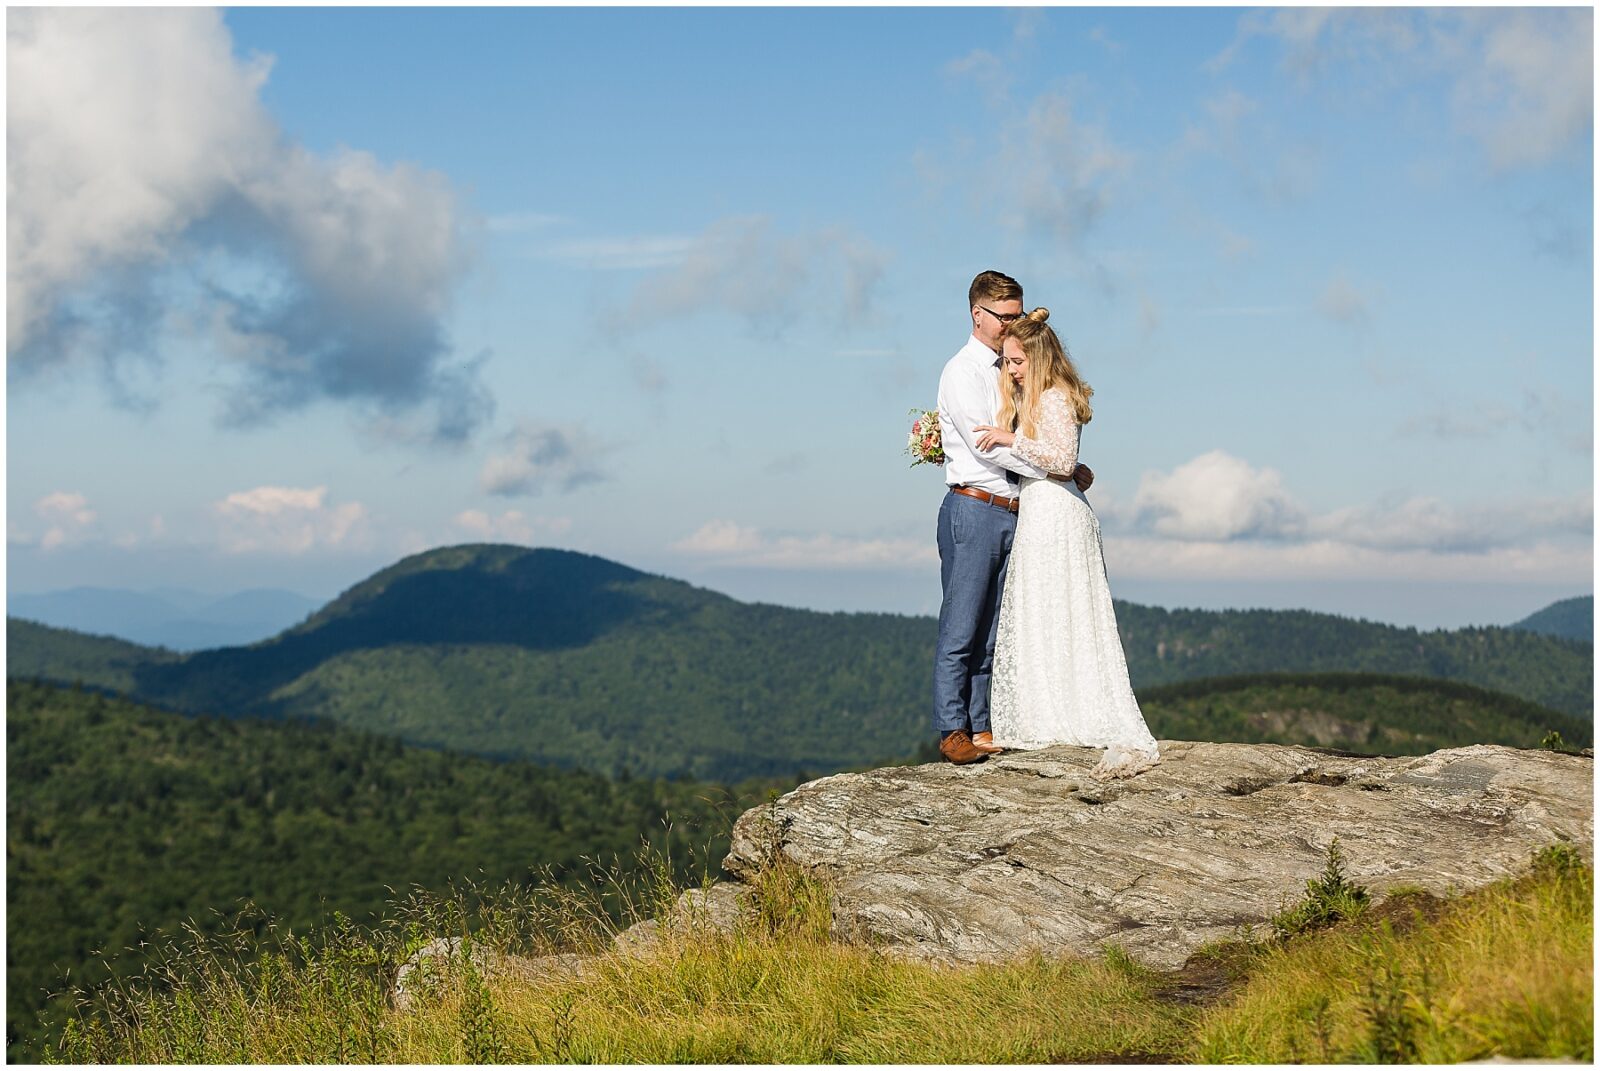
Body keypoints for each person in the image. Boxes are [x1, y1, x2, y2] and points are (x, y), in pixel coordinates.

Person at [974, 308, 1160, 778]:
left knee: (1063, 611)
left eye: (1017, 361)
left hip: (1058, 516)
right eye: (1007, 361)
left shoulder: (1055, 398)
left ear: (1038, 359)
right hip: (1043, 511)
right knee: (1044, 612)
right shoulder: (1034, 401)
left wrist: (1008, 441)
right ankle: (1048, 713)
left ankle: (1071, 712)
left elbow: (1060, 459)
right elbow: (1063, 464)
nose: (1010, 369)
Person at [933, 272, 1093, 765]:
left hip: (1018, 509)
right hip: (977, 503)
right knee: (962, 625)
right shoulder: (963, 372)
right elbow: (992, 449)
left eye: (1017, 316)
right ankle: (951, 727)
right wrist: (1056, 468)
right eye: (1004, 317)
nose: (1011, 326)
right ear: (976, 314)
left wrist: (1056, 461)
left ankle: (982, 725)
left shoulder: (1014, 367)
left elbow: (1029, 432)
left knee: (995, 627)